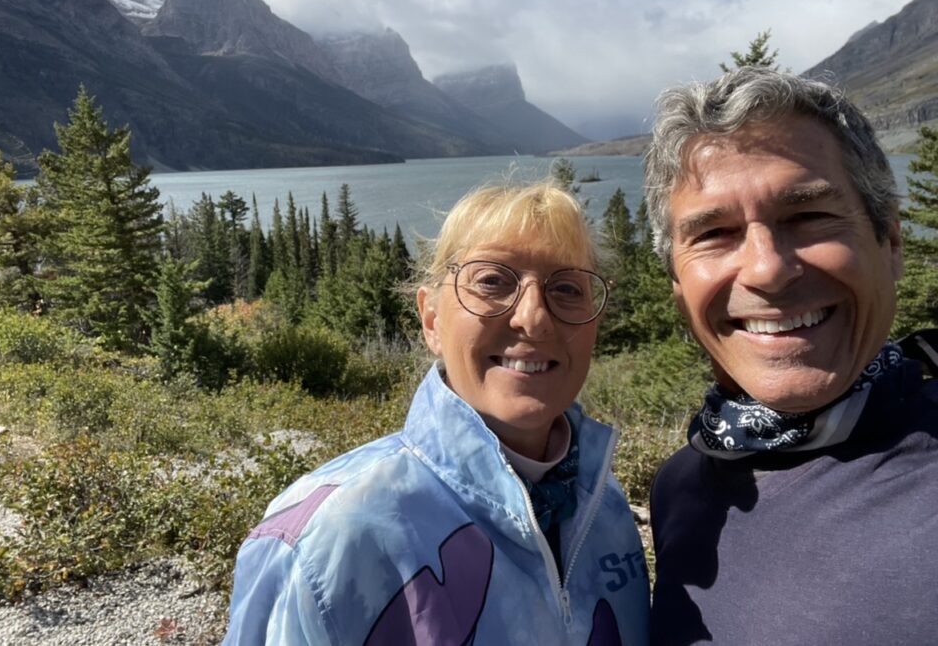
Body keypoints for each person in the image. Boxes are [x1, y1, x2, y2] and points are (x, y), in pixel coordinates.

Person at [222, 181, 650, 645]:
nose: (534, 317)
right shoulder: (328, 534)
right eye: (492, 280)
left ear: (594, 325)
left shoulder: (601, 506)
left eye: (567, 288)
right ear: (432, 321)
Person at [644, 66, 938, 644]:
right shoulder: (681, 488)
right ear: (679, 289)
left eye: (808, 216)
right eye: (714, 233)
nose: (767, 270)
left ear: (892, 244)